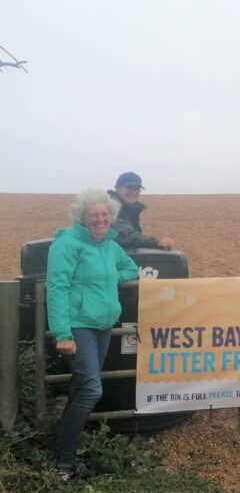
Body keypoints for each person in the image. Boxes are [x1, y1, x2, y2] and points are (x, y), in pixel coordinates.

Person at [46, 188, 140, 476]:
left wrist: (112, 282)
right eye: (93, 215)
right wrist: (62, 333)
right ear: (82, 218)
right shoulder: (67, 245)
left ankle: (62, 447)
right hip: (78, 326)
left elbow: (131, 270)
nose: (99, 219)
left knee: (81, 388)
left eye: (104, 214)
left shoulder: (110, 246)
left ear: (110, 217)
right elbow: (57, 286)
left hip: (102, 326)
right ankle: (63, 463)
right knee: (91, 389)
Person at [107, 171, 174, 250]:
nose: (133, 192)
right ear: (117, 188)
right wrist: (156, 242)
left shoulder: (128, 210)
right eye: (129, 188)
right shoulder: (110, 208)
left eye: (137, 189)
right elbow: (124, 235)